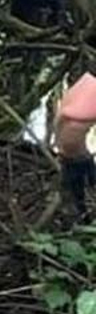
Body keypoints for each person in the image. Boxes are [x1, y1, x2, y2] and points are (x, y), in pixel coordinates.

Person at [54, 70, 96, 219]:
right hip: (70, 156)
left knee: (87, 186)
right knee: (74, 190)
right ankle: (80, 215)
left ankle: (83, 214)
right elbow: (62, 118)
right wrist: (57, 143)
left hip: (79, 156)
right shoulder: (83, 90)